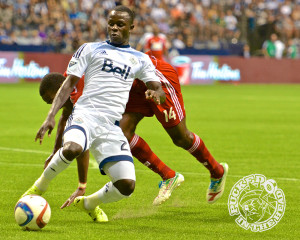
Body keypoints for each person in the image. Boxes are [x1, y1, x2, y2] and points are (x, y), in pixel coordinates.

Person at [22, 5, 166, 222]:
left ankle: (89, 203)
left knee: (126, 185)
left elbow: (158, 89)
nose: (114, 28)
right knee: (72, 148)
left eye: (120, 25)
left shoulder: (140, 59)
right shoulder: (90, 49)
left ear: (132, 27)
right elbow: (69, 82)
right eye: (111, 24)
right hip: (85, 115)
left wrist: (156, 94)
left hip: (110, 127)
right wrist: (50, 115)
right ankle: (38, 188)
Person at [62, 51, 228, 207]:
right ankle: (168, 176)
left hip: (155, 76)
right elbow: (68, 120)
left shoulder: (85, 83)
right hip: (132, 84)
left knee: (180, 137)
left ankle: (217, 171)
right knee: (122, 133)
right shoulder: (72, 81)